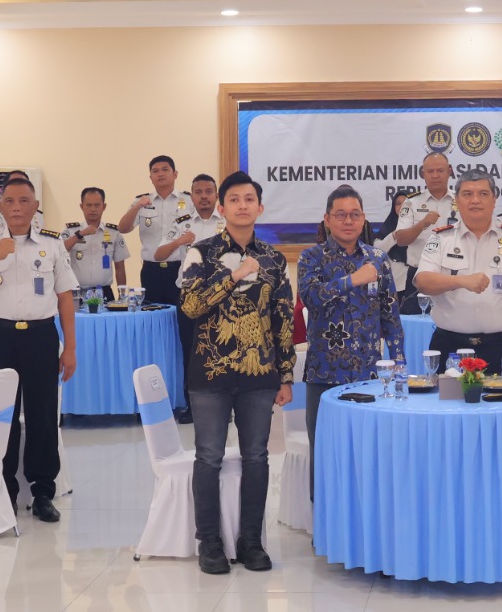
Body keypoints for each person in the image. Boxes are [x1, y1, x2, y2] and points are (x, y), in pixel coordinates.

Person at [178, 171, 295, 575]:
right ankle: (209, 542)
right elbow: (190, 307)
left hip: (258, 374)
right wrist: (233, 276)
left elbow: (283, 319)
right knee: (209, 456)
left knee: (257, 457)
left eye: (249, 199)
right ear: (221, 208)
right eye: (234, 200)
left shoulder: (274, 259)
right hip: (210, 372)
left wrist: (285, 375)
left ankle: (251, 541)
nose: (242, 206)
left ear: (260, 207)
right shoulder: (200, 253)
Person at [0, 177, 77, 523]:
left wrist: (70, 348)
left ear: (35, 206)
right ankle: (4, 490)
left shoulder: (52, 244)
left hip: (41, 336)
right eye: (10, 201)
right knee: (0, 415)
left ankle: (43, 492)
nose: (17, 208)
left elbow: (65, 297)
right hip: (0, 336)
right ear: (0, 207)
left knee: (43, 415)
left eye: (24, 201)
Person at [297, 185, 402, 500]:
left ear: (364, 218)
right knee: (325, 451)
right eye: (340, 215)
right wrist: (353, 279)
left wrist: (399, 364)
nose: (348, 221)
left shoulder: (378, 259)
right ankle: (325, 519)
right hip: (324, 374)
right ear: (327, 219)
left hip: (370, 377)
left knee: (370, 450)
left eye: (355, 214)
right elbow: (311, 298)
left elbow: (391, 317)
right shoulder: (312, 257)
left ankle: (366, 514)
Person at [413, 167, 502, 374]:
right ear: (457, 200)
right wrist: (461, 281)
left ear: (494, 200)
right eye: (467, 194)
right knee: (447, 396)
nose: (475, 200)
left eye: (483, 194)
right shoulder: (441, 238)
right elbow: (423, 282)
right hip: (451, 348)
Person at [120, 156, 195, 419]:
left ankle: (187, 399)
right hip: (152, 273)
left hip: (181, 271)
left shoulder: (188, 201)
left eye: (165, 169)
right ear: (150, 176)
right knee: (153, 332)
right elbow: (123, 227)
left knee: (186, 336)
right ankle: (151, 399)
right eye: (155, 170)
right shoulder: (143, 202)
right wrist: (136, 207)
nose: (160, 174)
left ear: (175, 173)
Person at [61, 188, 130, 301]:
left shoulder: (113, 233)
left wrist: (122, 296)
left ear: (104, 206)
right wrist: (80, 234)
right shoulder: (71, 231)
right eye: (89, 205)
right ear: (81, 206)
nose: (93, 209)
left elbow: (120, 268)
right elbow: (60, 251)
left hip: (104, 292)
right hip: (77, 292)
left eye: (97, 205)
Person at [391, 152, 456, 254]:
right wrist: (422, 224)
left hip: (453, 263)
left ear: (449, 172)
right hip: (419, 264)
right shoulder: (411, 202)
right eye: (430, 171)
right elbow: (400, 240)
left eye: (440, 170)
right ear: (423, 174)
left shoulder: (461, 200)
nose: (435, 176)